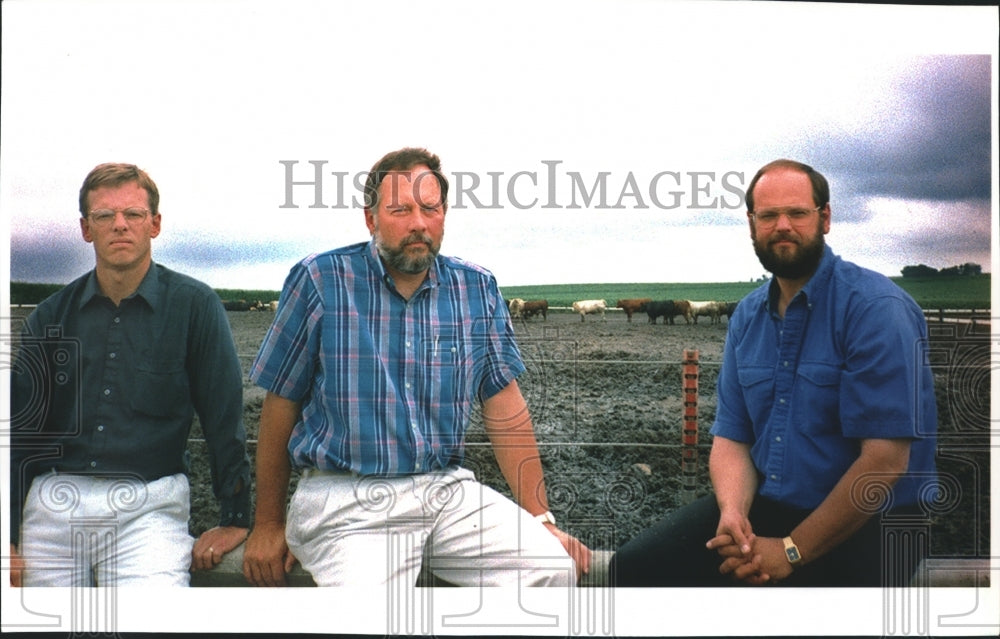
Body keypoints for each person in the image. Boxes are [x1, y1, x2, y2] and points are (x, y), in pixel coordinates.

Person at [242, 147, 591, 588]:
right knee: (372, 615)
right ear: (370, 218)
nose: (418, 224)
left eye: (430, 209)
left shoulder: (475, 288)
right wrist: (268, 524)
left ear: (444, 213)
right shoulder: (321, 281)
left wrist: (541, 517)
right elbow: (280, 407)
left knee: (550, 570)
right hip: (347, 498)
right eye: (400, 210)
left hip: (445, 489)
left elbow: (504, 404)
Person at [609, 159, 938, 587]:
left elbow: (884, 461)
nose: (782, 225)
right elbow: (732, 437)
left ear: (825, 218)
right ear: (751, 225)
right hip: (769, 505)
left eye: (797, 213)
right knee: (633, 570)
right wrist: (732, 512)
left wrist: (791, 550)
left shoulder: (875, 310)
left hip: (873, 518)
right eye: (768, 216)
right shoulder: (747, 316)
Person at [9, 163, 252, 587]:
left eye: (133, 214)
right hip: (51, 511)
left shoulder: (195, 307)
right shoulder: (49, 317)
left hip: (148, 511)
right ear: (86, 229)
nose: (119, 225)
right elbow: (19, 435)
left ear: (154, 224)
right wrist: (6, 533)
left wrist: (234, 517)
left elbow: (223, 419)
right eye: (104, 216)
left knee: (152, 622)